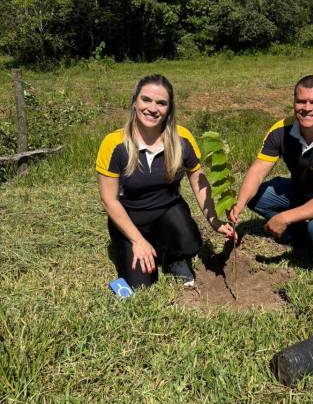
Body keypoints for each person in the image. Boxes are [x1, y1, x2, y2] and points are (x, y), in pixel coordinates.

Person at [96, 74, 234, 289]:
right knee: (141, 285)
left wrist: (214, 220)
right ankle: (135, 246)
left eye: (161, 103)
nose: (153, 108)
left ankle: (173, 259)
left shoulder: (182, 138)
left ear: (169, 109)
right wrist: (137, 241)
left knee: (190, 243)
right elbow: (109, 200)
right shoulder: (114, 143)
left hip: (169, 211)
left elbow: (198, 181)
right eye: (146, 100)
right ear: (134, 102)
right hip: (130, 218)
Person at [230, 75, 313, 260]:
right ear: (294, 102)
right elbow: (257, 171)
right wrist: (239, 203)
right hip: (305, 189)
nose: (307, 108)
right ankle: (301, 234)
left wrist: (284, 217)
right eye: (301, 101)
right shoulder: (281, 130)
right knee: (255, 196)